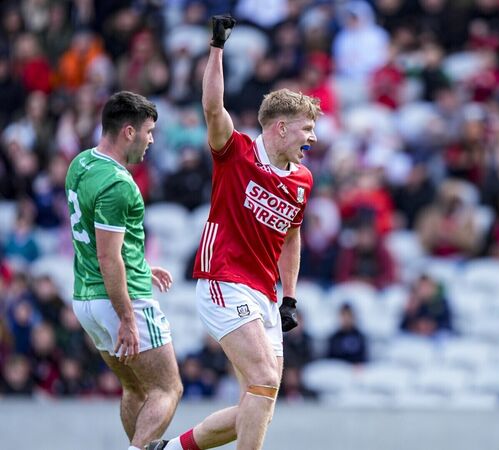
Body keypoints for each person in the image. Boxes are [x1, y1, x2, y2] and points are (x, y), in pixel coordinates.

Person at [147, 15, 321, 450]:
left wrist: (289, 297)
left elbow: (291, 236)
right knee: (263, 380)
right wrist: (217, 47)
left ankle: (169, 449)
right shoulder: (236, 151)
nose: (313, 138)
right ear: (281, 127)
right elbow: (212, 107)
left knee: (258, 401)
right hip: (223, 280)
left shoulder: (303, 180)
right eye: (307, 128)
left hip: (263, 293)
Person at [64, 91, 182, 450]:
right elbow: (108, 257)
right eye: (149, 132)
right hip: (120, 299)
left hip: (85, 300)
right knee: (167, 388)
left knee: (136, 388)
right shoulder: (119, 184)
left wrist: (141, 264)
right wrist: (128, 317)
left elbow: (99, 240)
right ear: (129, 131)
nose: (151, 140)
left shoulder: (81, 163)